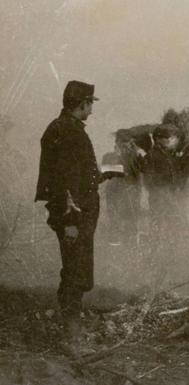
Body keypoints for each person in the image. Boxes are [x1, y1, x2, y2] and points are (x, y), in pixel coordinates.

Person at [35, 80, 120, 337]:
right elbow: (64, 182)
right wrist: (70, 220)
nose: (91, 111)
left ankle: (73, 324)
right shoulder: (70, 133)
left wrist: (102, 175)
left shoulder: (62, 128)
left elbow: (77, 176)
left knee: (77, 267)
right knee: (75, 270)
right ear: (81, 104)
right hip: (74, 216)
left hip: (75, 213)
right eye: (89, 105)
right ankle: (72, 331)